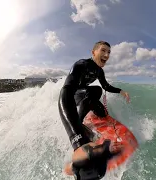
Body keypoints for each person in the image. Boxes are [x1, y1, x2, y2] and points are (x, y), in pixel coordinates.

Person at [58, 41, 130, 180]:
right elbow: (68, 89)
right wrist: (75, 123)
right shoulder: (81, 64)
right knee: (88, 166)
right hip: (69, 97)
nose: (106, 54)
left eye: (109, 52)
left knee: (101, 109)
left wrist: (121, 91)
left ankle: (78, 163)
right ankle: (80, 125)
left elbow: (106, 86)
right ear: (93, 52)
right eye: (103, 50)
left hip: (85, 95)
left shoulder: (99, 71)